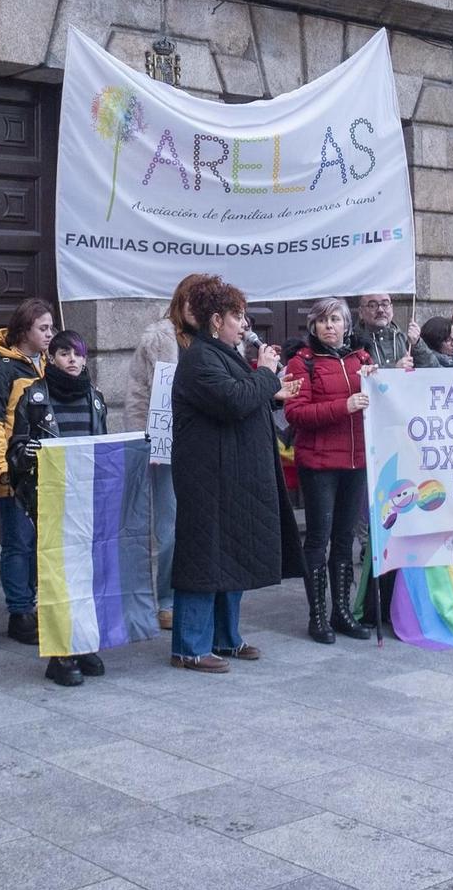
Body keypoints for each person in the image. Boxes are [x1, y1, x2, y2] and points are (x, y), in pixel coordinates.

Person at [170, 274, 300, 672]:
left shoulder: (223, 356)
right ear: (215, 321)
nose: (245, 325)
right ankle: (190, 646)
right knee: (204, 558)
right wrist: (264, 374)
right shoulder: (198, 358)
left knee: (231, 556)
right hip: (208, 478)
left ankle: (226, 639)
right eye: (237, 317)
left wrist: (270, 388)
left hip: (235, 476)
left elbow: (246, 397)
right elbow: (232, 400)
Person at [6, 331, 110, 686]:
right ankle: (59, 654)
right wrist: (28, 454)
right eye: (63, 353)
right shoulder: (33, 396)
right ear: (50, 357)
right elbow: (15, 451)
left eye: (78, 354)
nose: (72, 360)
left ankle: (80, 644)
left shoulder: (95, 399)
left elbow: (103, 447)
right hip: (49, 497)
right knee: (55, 576)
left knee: (85, 575)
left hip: (85, 498)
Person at [283, 298, 375, 645]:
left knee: (344, 539)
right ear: (313, 327)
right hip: (320, 463)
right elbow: (297, 413)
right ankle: (317, 614)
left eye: (335, 319)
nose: (329, 326)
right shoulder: (301, 362)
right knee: (319, 539)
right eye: (322, 321)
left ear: (347, 325)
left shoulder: (362, 359)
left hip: (356, 462)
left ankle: (342, 610)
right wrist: (344, 406)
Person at [0, 298, 54, 646]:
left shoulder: (49, 366)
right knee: (19, 543)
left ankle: (37, 604)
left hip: (49, 470)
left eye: (52, 328)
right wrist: (1, 467)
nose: (51, 334)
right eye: (43, 328)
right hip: (16, 471)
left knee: (42, 543)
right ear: (24, 331)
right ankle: (19, 612)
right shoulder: (1, 371)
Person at [129, 281, 193, 630]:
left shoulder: (218, 340)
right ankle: (166, 598)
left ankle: (194, 593)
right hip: (164, 447)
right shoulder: (158, 340)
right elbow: (139, 397)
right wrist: (147, 442)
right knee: (168, 529)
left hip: (202, 445)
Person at [352, 294, 422, 370]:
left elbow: (432, 368)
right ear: (361, 312)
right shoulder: (353, 343)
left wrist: (417, 344)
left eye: (385, 304)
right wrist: (393, 369)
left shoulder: (403, 338)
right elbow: (355, 374)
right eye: (372, 306)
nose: (380, 310)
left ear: (392, 309)